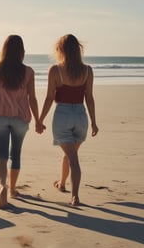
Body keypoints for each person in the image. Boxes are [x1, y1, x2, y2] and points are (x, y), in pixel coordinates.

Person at [37, 34, 99, 206]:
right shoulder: (87, 70)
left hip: (63, 115)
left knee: (73, 158)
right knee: (70, 153)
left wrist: (40, 119)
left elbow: (49, 98)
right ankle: (62, 183)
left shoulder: (56, 70)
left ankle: (75, 196)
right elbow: (90, 98)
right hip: (80, 115)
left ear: (61, 50)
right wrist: (93, 122)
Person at [0, 35, 40, 209]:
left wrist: (0, 104)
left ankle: (2, 186)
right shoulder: (28, 71)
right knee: (15, 154)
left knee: (1, 154)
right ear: (22, 52)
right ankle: (13, 190)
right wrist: (38, 120)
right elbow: (32, 98)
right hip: (21, 119)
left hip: (0, 118)